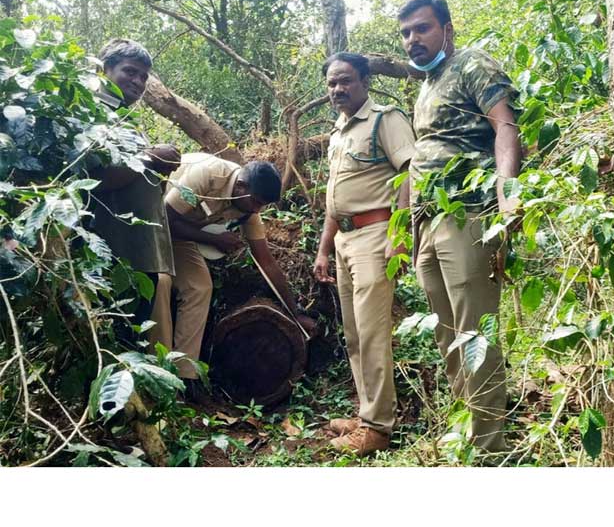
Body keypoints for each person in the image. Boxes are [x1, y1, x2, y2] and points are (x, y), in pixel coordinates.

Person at [397, 0, 522, 453]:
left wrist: (507, 194)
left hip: (466, 214)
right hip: (427, 222)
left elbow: (505, 126)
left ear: (447, 29)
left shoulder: (473, 64)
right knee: (445, 331)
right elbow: (421, 158)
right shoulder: (426, 85)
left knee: (475, 333)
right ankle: (466, 431)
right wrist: (406, 225)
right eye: (407, 33)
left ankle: (492, 451)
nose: (413, 39)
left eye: (423, 28)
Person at [313, 53, 415, 456]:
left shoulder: (384, 120)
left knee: (373, 335)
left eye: (346, 81)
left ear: (365, 80)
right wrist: (324, 248)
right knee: (355, 336)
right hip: (344, 240)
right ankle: (367, 412)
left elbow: (411, 172)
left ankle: (377, 428)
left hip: (376, 236)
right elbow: (334, 200)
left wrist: (400, 233)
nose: (338, 89)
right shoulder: (338, 132)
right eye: (332, 84)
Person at [150, 153, 310, 399]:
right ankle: (156, 371)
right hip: (152, 225)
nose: (257, 210)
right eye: (255, 202)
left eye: (262, 206)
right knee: (162, 283)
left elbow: (266, 262)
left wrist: (295, 313)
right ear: (240, 186)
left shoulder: (249, 206)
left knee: (200, 287)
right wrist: (215, 239)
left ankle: (183, 377)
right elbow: (164, 218)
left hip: (185, 236)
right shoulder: (207, 174)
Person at [92, 39, 179, 334]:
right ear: (105, 70)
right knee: (115, 338)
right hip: (116, 255)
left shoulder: (125, 118)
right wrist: (150, 157)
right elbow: (92, 177)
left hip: (139, 254)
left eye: (143, 76)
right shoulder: (93, 113)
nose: (138, 81)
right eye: (130, 71)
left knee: (133, 334)